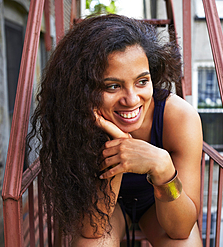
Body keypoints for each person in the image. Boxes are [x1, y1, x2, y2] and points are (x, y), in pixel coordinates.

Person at [28, 14, 203, 246]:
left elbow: (181, 229)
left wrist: (163, 167)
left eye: (142, 81)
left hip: (156, 204)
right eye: (112, 86)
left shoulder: (179, 118)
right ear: (85, 89)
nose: (131, 100)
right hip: (109, 205)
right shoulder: (77, 120)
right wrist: (120, 147)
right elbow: (92, 228)